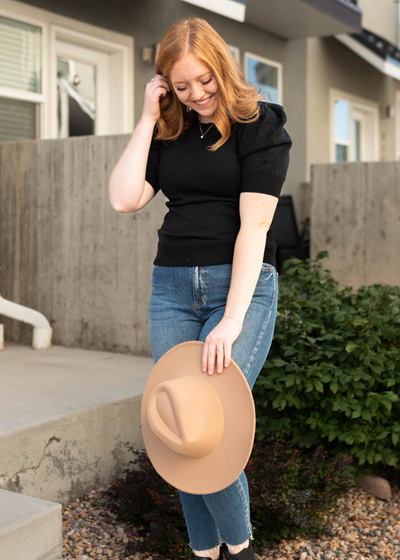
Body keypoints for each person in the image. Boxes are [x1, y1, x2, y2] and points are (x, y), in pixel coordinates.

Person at [108, 16, 292, 560]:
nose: (197, 95)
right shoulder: (172, 130)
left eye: (204, 81)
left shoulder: (262, 126)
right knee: (181, 430)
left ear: (222, 67)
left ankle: (241, 553)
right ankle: (204, 553)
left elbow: (255, 227)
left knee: (213, 426)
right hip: (170, 291)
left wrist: (232, 320)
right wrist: (148, 116)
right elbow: (123, 198)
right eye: (181, 86)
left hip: (240, 288)